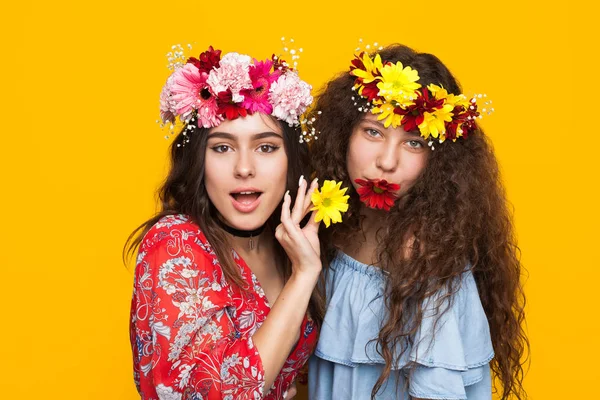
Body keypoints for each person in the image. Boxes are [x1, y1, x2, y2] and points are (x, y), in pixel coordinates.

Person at [308, 44, 528, 399]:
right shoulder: (320, 233)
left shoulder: (432, 264)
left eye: (413, 143)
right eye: (373, 132)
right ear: (343, 134)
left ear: (439, 161)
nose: (387, 162)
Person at [126, 45, 324, 399]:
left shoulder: (289, 242)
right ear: (198, 161)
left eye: (266, 147)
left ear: (291, 160)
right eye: (222, 148)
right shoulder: (174, 244)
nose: (244, 168)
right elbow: (217, 390)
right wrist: (304, 275)